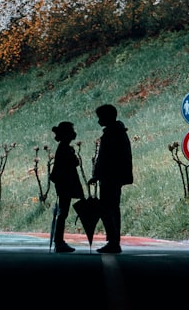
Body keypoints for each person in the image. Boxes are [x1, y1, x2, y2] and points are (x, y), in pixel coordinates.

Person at [87, 103, 133, 253]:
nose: (99, 121)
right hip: (116, 177)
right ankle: (114, 240)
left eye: (100, 117)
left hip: (110, 178)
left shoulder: (111, 135)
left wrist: (96, 176)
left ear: (107, 117)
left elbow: (105, 159)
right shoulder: (120, 132)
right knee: (113, 208)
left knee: (107, 209)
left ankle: (113, 241)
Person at [49, 121, 85, 253]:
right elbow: (74, 163)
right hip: (65, 184)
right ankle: (59, 241)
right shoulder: (65, 149)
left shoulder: (63, 148)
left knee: (62, 212)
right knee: (63, 213)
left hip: (63, 184)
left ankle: (59, 241)